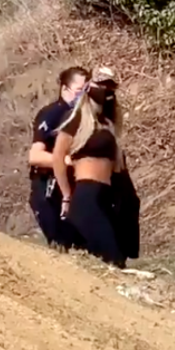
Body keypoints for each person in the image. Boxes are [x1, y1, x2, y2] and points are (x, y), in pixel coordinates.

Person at [51, 66, 135, 268]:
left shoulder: (108, 124)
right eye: (102, 86)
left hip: (105, 196)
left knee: (116, 256)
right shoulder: (77, 118)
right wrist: (66, 194)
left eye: (110, 88)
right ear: (91, 87)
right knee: (111, 256)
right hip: (87, 195)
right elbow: (58, 157)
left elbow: (117, 166)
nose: (107, 92)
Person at [29, 66, 89, 249]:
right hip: (48, 188)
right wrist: (67, 161)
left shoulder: (86, 117)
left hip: (75, 188)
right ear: (65, 89)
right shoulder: (52, 114)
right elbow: (35, 156)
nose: (83, 96)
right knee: (62, 246)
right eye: (79, 90)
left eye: (87, 90)